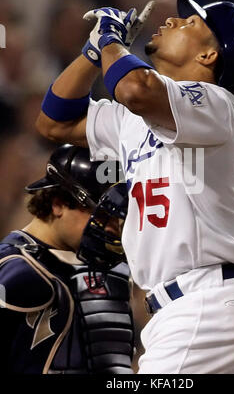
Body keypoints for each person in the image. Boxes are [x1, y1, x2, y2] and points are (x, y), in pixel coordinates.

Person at [35, 0, 234, 373]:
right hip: (202, 311)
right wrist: (91, 50)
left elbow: (136, 88)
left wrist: (111, 42)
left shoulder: (217, 104)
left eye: (190, 24)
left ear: (208, 56)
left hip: (207, 307)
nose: (172, 21)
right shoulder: (132, 119)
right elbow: (53, 122)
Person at [0, 144, 134, 374]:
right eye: (102, 215)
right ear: (58, 203)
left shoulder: (113, 267)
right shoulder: (15, 267)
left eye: (117, 217)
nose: (112, 228)